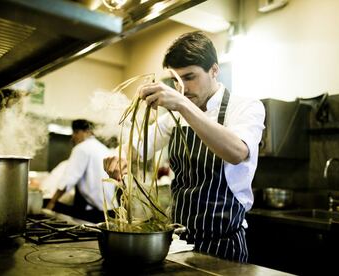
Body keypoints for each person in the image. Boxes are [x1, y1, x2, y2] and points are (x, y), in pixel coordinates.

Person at [103, 31, 265, 262]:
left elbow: (237, 152)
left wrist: (182, 105)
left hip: (224, 243)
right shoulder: (174, 116)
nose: (183, 88)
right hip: (179, 241)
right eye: (177, 81)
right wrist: (119, 159)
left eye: (190, 77)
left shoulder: (246, 107)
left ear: (214, 70)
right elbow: (138, 150)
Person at [46, 119, 116, 223]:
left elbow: (68, 179)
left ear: (83, 132)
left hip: (94, 214)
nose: (73, 137)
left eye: (75, 133)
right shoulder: (104, 149)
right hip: (111, 211)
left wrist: (51, 203)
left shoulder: (81, 148)